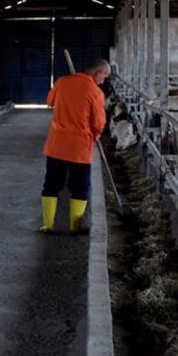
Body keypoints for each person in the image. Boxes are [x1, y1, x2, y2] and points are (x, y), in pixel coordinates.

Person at [40, 58, 109, 234]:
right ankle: (75, 226)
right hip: (80, 147)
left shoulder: (62, 82)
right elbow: (99, 122)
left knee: (51, 184)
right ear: (98, 73)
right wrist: (96, 135)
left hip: (57, 144)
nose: (104, 80)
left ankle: (48, 225)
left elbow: (50, 102)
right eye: (105, 76)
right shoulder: (95, 92)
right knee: (79, 186)